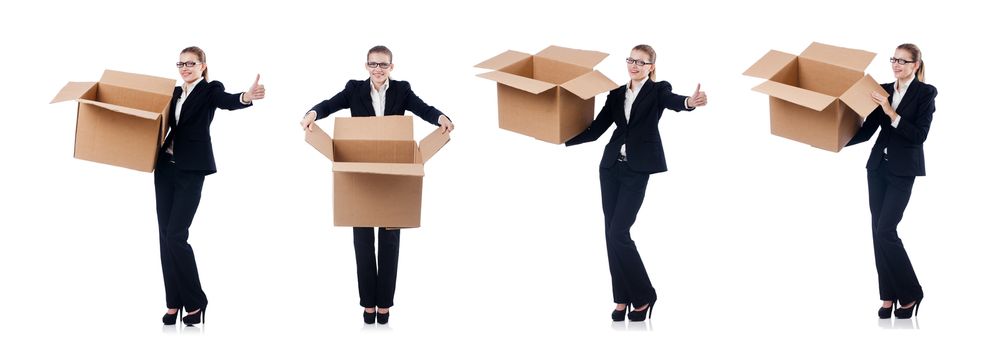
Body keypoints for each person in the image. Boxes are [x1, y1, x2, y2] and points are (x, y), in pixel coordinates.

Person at [300, 45, 454, 325]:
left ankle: (384, 305)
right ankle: (367, 304)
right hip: (360, 173)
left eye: (383, 65)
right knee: (362, 241)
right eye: (373, 64)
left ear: (392, 67)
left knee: (390, 241)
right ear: (366, 66)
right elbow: (328, 104)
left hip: (392, 173)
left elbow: (424, 109)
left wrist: (441, 118)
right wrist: (312, 113)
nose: (378, 70)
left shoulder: (402, 90)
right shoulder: (354, 89)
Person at [565, 44, 707, 322]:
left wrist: (690, 102)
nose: (634, 65)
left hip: (636, 170)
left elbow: (675, 101)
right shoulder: (617, 94)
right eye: (631, 60)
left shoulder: (657, 90)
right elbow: (596, 129)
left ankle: (644, 295)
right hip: (609, 169)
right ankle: (622, 298)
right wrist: (559, 136)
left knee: (619, 232)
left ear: (651, 67)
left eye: (641, 62)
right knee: (610, 233)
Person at [158, 46, 265, 326]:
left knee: (176, 236)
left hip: (191, 169)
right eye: (180, 63)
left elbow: (227, 100)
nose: (184, 68)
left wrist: (245, 97)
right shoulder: (174, 93)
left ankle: (195, 301)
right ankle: (173, 302)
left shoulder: (209, 89)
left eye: (190, 63)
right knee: (164, 236)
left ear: (203, 65)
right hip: (164, 169)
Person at [846, 43, 935, 319]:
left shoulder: (925, 93)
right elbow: (868, 129)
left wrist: (890, 111)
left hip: (902, 171)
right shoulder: (883, 88)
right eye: (894, 59)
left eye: (903, 61)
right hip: (877, 168)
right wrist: (833, 141)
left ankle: (911, 292)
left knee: (886, 230)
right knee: (877, 231)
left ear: (915, 65)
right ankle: (888, 295)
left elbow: (919, 135)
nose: (896, 65)